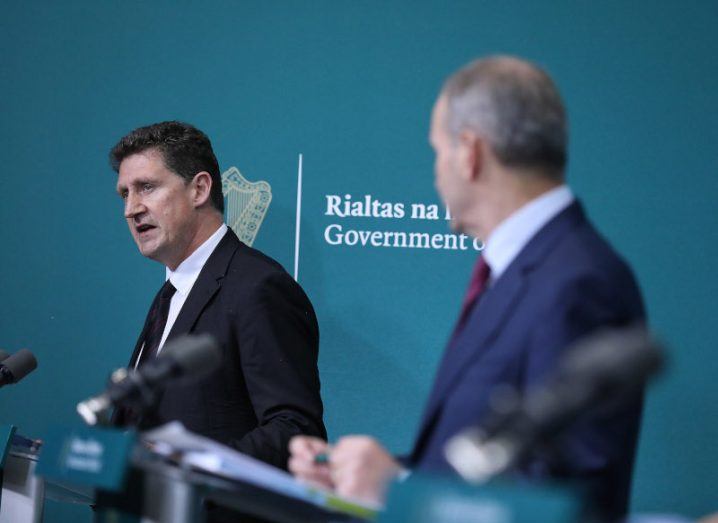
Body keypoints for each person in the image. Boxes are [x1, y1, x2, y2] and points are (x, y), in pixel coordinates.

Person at [289, 56, 645, 522]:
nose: (436, 173)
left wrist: (397, 489)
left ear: (469, 152)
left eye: (437, 151)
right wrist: (370, 478)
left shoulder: (579, 282)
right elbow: (481, 469)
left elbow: (569, 503)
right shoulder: (518, 270)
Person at [109, 121, 326, 470]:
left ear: (199, 189)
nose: (130, 208)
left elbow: (295, 432)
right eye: (124, 193)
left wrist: (194, 469)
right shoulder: (169, 295)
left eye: (146, 187)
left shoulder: (259, 287)